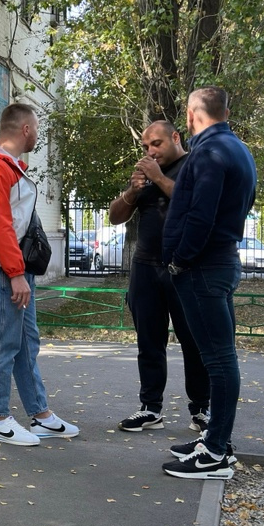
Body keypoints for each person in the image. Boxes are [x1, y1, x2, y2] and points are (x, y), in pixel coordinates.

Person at [0, 103, 79, 446]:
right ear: (26, 129)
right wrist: (15, 273)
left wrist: (19, 270)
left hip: (12, 266)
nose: (38, 135)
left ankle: (40, 414)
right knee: (3, 340)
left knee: (26, 342)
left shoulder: (7, 167)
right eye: (37, 128)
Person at [160, 87, 257, 480]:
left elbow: (200, 215)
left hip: (203, 268)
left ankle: (216, 452)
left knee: (218, 359)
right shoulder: (238, 149)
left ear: (190, 115)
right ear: (226, 112)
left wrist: (180, 261)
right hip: (219, 261)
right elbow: (241, 205)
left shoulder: (209, 152)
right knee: (218, 357)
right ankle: (216, 440)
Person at [108, 121, 210, 434]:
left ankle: (202, 410)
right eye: (146, 147)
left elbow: (195, 204)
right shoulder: (146, 174)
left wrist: (157, 178)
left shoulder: (194, 164)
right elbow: (114, 216)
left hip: (182, 268)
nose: (151, 151)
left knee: (193, 343)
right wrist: (132, 191)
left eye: (156, 144)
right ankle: (150, 408)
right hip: (145, 268)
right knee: (149, 343)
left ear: (175, 137)